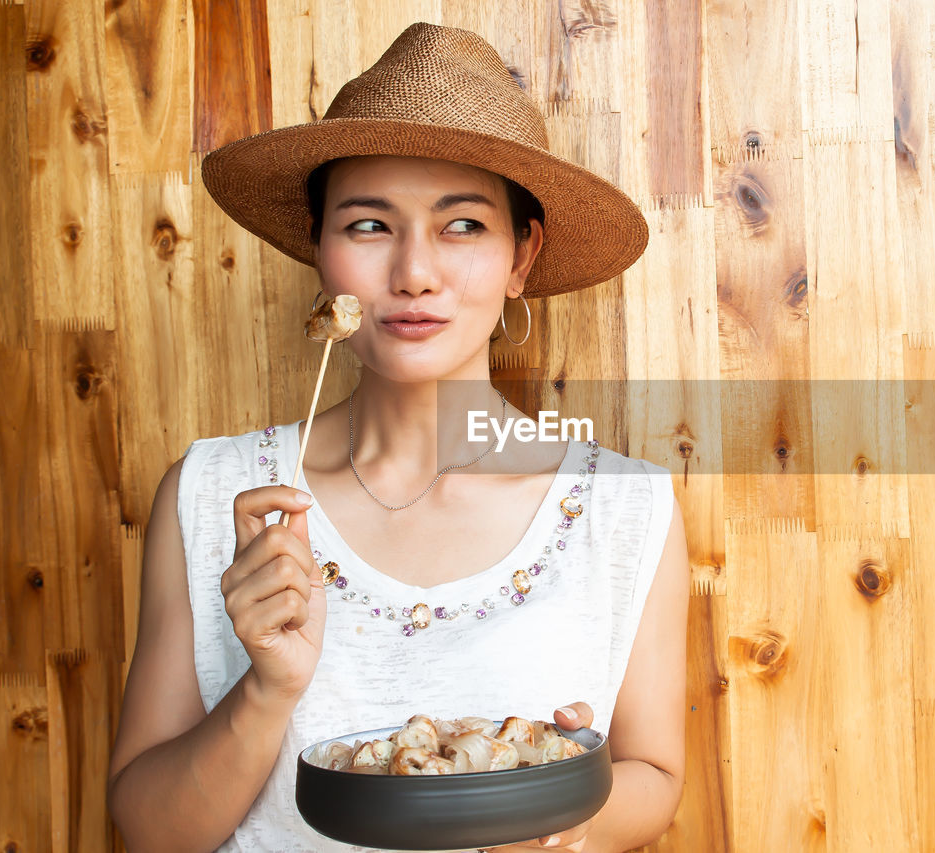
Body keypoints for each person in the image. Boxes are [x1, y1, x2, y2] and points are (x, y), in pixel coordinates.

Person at [108, 23, 688, 853]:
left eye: (462, 226)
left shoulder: (625, 509)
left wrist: (562, 809)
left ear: (522, 255)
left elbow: (656, 775)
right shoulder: (213, 494)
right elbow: (151, 829)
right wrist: (268, 690)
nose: (415, 271)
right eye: (369, 225)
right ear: (318, 247)